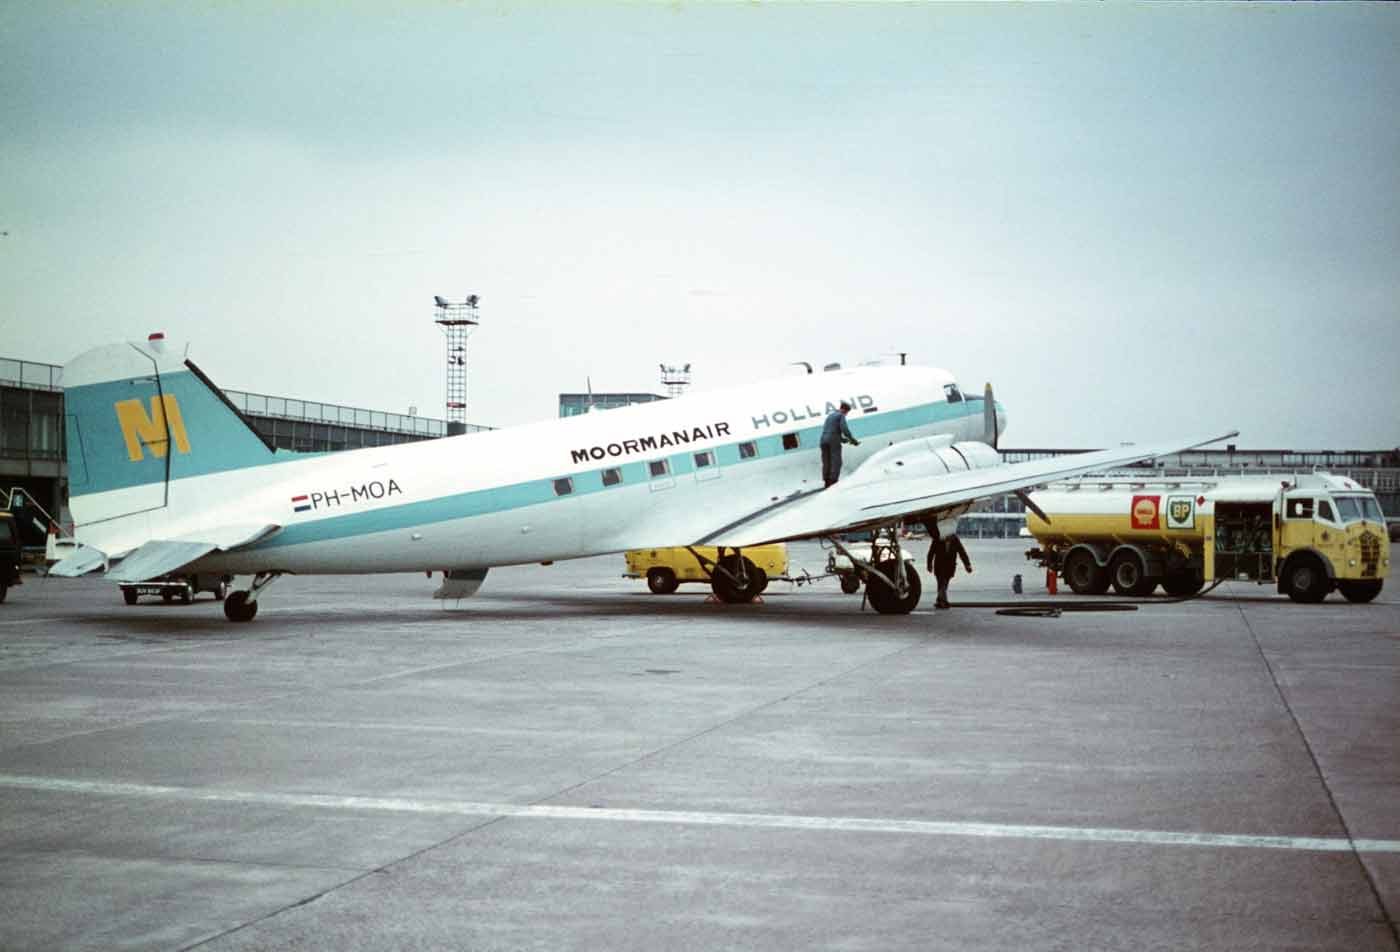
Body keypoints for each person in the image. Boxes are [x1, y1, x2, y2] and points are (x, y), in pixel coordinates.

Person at [926, 528, 972, 609]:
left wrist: (967, 565)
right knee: (942, 583)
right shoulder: (937, 539)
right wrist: (929, 565)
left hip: (950, 567)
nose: (948, 537)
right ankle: (944, 602)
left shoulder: (955, 539)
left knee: (943, 584)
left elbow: (962, 552)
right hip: (939, 566)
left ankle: (939, 601)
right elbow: (931, 552)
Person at [819, 402, 860, 487]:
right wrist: (852, 440)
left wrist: (842, 440)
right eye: (847, 412)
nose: (846, 414)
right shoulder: (841, 416)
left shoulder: (830, 416)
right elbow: (844, 429)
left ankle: (826, 481)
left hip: (823, 440)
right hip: (833, 440)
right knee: (836, 461)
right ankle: (833, 481)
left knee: (827, 461)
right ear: (844, 410)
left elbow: (830, 429)